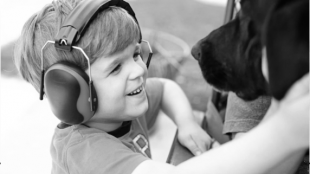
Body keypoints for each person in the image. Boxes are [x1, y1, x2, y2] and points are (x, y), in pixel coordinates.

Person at [14, 0, 212, 173]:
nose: (138, 70)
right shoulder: (85, 150)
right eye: (116, 67)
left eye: (135, 54)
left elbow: (166, 88)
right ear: (70, 90)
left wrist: (187, 124)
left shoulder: (122, 108)